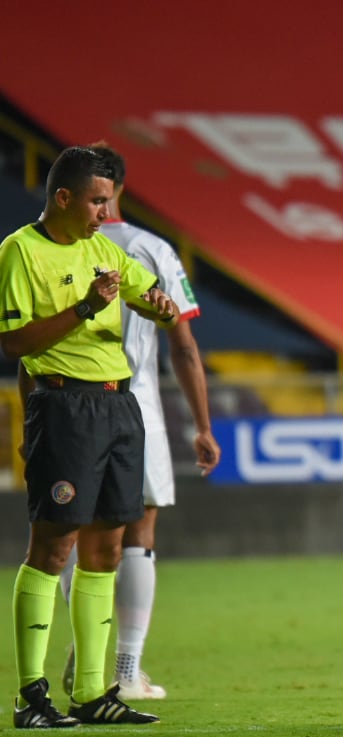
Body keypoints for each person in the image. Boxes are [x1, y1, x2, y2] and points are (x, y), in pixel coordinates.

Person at [2, 146, 179, 727]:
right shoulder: (20, 252)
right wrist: (83, 308)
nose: (107, 212)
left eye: (110, 200)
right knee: (53, 547)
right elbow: (15, 344)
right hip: (62, 406)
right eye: (98, 201)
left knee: (106, 549)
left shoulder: (103, 250)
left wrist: (156, 307)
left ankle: (94, 692)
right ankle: (31, 695)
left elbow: (151, 298)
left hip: (117, 404)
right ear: (64, 197)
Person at [58, 143, 221, 701]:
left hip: (68, 405)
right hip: (137, 406)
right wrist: (202, 424)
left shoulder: (57, 246)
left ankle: (90, 657)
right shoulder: (152, 249)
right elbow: (184, 344)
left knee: (71, 533)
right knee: (138, 535)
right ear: (120, 188)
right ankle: (126, 670)